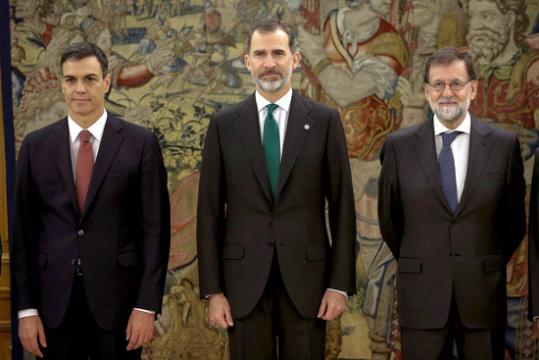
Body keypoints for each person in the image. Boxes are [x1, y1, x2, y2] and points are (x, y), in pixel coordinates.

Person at [196, 20, 356, 359]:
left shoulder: (325, 122)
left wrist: (339, 283)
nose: (269, 62)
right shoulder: (224, 125)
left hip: (308, 283)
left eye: (278, 53)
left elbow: (343, 208)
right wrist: (214, 291)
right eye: (261, 54)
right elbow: (209, 213)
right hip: (242, 284)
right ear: (247, 61)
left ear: (295, 60)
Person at [11, 41, 170, 359]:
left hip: (120, 306)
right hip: (52, 304)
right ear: (61, 84)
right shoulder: (35, 146)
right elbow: (23, 234)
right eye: (71, 80)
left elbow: (156, 230)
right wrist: (26, 309)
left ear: (106, 82)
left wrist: (146, 305)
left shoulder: (141, 143)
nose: (79, 89)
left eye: (89, 79)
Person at [378, 47, 525, 359]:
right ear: (427, 91)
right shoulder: (398, 148)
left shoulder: (503, 146)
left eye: (456, 84)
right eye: (438, 85)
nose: (447, 93)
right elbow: (391, 223)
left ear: (473, 88)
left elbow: (513, 224)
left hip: (482, 297)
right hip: (421, 298)